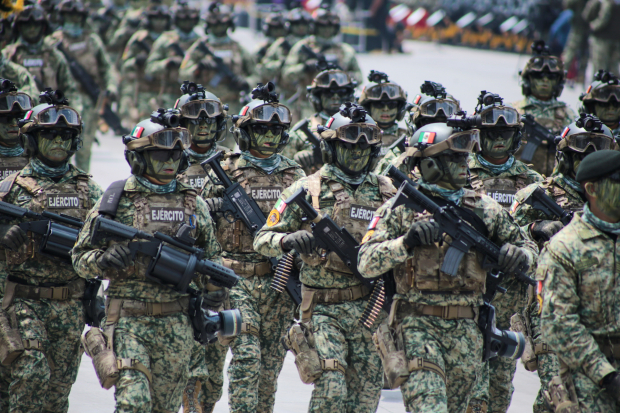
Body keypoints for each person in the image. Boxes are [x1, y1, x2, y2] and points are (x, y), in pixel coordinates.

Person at [357, 122, 538, 413]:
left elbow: (530, 250)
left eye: (465, 158)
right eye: (455, 159)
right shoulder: (399, 210)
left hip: (467, 332)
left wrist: (519, 255)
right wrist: (405, 243)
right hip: (416, 327)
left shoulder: (486, 210)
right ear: (430, 165)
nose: (465, 165)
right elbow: (365, 262)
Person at [72, 108, 224, 413]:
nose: (169, 163)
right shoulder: (116, 200)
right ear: (139, 158)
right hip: (128, 321)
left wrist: (214, 288)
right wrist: (103, 261)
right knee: (134, 403)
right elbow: (79, 257)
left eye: (175, 156)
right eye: (159, 156)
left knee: (163, 408)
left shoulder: (194, 204)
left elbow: (213, 258)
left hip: (177, 324)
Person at [254, 102, 394, 412]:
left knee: (365, 399)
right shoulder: (307, 190)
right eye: (348, 147)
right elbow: (262, 239)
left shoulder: (386, 192)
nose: (357, 154)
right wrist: (287, 239)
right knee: (331, 386)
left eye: (364, 148)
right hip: (321, 309)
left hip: (368, 309)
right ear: (330, 148)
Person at [201, 83, 305, 413]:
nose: (270, 137)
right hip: (235, 278)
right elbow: (199, 217)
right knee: (247, 356)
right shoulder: (226, 169)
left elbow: (305, 222)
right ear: (246, 133)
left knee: (269, 368)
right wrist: (217, 205)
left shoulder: (294, 173)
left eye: (276, 130)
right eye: (262, 130)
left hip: (278, 281)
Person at [0, 88, 103, 412]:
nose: (58, 141)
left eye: (65, 135)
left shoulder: (90, 190)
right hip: (21, 302)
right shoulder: (10, 189)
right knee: (30, 375)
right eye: (50, 135)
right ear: (32, 140)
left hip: (69, 306)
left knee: (57, 396)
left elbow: (109, 245)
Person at [510, 114, 616, 413]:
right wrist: (536, 229)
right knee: (561, 390)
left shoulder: (611, 200)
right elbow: (506, 235)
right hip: (550, 305)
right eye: (580, 155)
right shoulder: (536, 194)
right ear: (565, 157)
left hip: (602, 309)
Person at [462, 91, 543, 413]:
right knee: (472, 391)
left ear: (517, 138)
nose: (498, 141)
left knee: (498, 390)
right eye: (491, 134)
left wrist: (535, 235)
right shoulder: (460, 173)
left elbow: (549, 244)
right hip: (468, 291)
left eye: (505, 135)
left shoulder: (533, 182)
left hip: (511, 300)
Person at [539, 149, 620, 411]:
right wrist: (607, 376)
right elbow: (559, 324)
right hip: (591, 381)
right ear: (592, 189)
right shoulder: (565, 248)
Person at [173, 82, 230, 413]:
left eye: (210, 122)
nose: (204, 127)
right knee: (191, 367)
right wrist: (208, 203)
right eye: (196, 122)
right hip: (181, 272)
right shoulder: (165, 159)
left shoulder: (232, 164)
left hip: (220, 273)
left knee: (213, 373)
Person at [45, 0, 119, 172]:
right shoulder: (52, 42)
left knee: (84, 149)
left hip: (89, 100)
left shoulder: (92, 41)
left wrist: (111, 86)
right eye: (70, 17)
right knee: (58, 146)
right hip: (60, 103)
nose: (74, 21)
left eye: (77, 18)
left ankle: (83, 184)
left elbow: (106, 67)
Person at [0, 79, 33, 413]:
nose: (13, 124)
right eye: (4, 118)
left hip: (25, 286)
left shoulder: (37, 159)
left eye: (18, 117)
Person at [282, 6, 362, 119]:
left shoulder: (345, 51)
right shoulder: (302, 47)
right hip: (308, 106)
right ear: (314, 27)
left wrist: (343, 74)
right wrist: (305, 68)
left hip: (340, 106)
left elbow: (358, 76)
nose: (327, 30)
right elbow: (286, 74)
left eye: (330, 26)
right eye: (322, 26)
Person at [180, 2, 254, 120]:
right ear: (208, 25)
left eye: (222, 24)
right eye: (214, 24)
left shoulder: (238, 48)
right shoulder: (199, 48)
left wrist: (245, 82)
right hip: (204, 108)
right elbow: (183, 74)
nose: (218, 27)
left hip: (232, 107)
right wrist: (198, 68)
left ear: (229, 24)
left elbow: (256, 74)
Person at [512, 41, 576, 177]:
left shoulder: (567, 115)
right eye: (538, 76)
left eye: (551, 77)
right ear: (528, 80)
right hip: (521, 182)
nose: (545, 80)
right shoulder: (514, 112)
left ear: (558, 82)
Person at [3, 4, 82, 112]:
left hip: (51, 117)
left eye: (36, 25)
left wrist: (74, 113)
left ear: (43, 27)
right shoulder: (8, 55)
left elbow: (69, 89)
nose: (32, 29)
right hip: (16, 116)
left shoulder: (54, 55)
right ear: (19, 27)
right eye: (27, 25)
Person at [376, 80, 461, 177]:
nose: (438, 131)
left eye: (443, 123)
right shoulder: (398, 157)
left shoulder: (464, 154)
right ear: (416, 126)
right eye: (430, 123)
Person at [283, 63, 356, 174]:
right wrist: (297, 159)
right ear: (317, 98)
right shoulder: (301, 132)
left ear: (349, 96)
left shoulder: (360, 128)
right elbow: (282, 169)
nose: (335, 97)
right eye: (328, 93)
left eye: (341, 93)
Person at [119, 3, 172, 127]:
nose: (159, 23)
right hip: (145, 92)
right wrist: (136, 61)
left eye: (162, 19)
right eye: (155, 19)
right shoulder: (139, 38)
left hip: (169, 92)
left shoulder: (172, 39)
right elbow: (125, 64)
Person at [257, 6, 313, 119]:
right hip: (284, 98)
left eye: (304, 24)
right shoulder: (281, 44)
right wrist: (281, 64)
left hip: (309, 101)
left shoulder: (313, 45)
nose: (301, 28)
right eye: (297, 24)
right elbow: (263, 69)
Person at [144, 2, 200, 112]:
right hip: (169, 97)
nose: (187, 23)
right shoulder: (165, 40)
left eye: (190, 20)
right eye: (183, 20)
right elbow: (149, 69)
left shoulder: (201, 43)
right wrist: (167, 63)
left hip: (195, 99)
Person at [357, 70, 409, 173]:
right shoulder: (357, 137)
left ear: (399, 109)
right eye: (379, 105)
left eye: (391, 105)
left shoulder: (408, 138)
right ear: (367, 108)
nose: (385, 109)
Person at [580, 69, 620, 140]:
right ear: (590, 107)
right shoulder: (579, 134)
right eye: (603, 104)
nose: (611, 108)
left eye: (615, 104)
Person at [582, 0, 620, 75]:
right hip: (616, 39)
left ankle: (600, 85)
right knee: (613, 67)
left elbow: (601, 19)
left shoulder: (606, 3)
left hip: (602, 38)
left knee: (599, 67)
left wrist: (592, 27)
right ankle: (613, 85)